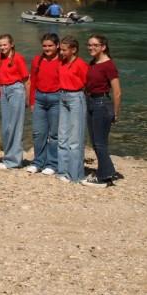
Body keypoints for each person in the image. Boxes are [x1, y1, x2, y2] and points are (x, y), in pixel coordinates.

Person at [83, 35, 122, 187]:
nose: (91, 47)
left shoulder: (109, 65)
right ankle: (107, 170)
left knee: (100, 143)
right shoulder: (93, 63)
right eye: (89, 45)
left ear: (103, 47)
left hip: (102, 104)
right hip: (91, 102)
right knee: (96, 142)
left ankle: (104, 178)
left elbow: (117, 92)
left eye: (95, 45)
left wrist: (115, 112)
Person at [27, 33, 61, 175]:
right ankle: (38, 162)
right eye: (44, 46)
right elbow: (32, 81)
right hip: (40, 99)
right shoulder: (37, 60)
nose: (47, 48)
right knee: (38, 133)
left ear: (57, 45)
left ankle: (52, 164)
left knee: (54, 134)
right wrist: (32, 101)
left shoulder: (63, 60)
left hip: (56, 99)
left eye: (50, 46)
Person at [57, 36, 88, 184]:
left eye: (64, 50)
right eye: (60, 49)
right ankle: (62, 170)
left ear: (73, 50)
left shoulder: (80, 64)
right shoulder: (61, 62)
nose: (61, 52)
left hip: (76, 97)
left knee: (75, 138)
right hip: (62, 96)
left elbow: (86, 83)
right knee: (62, 135)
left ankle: (75, 174)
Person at [0, 34, 29, 170]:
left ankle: (14, 161)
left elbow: (26, 79)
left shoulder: (18, 58)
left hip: (16, 90)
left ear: (11, 44)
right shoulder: (1, 59)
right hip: (4, 90)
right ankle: (8, 157)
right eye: (0, 45)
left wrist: (28, 98)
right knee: (6, 127)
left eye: (5, 44)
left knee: (15, 126)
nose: (3, 47)